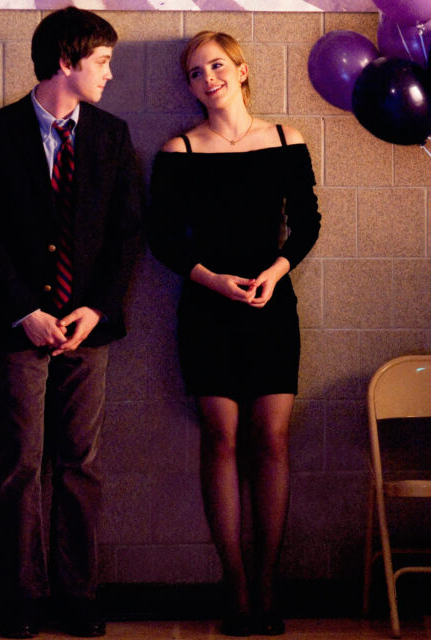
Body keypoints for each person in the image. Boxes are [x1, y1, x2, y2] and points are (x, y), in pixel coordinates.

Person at [0, 7, 142, 639]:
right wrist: (25, 312)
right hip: (16, 329)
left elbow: (127, 233)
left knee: (80, 463)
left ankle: (78, 594)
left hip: (88, 329)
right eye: (102, 61)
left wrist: (98, 307)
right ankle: (22, 597)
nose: (110, 74)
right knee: (20, 463)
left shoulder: (112, 136)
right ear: (66, 61)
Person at [149, 31, 321, 637]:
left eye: (217, 66)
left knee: (271, 440)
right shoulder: (179, 149)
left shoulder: (285, 139)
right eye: (195, 73)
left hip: (271, 304)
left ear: (242, 70)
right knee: (220, 440)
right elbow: (161, 237)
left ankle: (268, 584)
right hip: (208, 308)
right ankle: (237, 587)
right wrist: (212, 281)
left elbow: (307, 223)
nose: (208, 79)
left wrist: (275, 272)